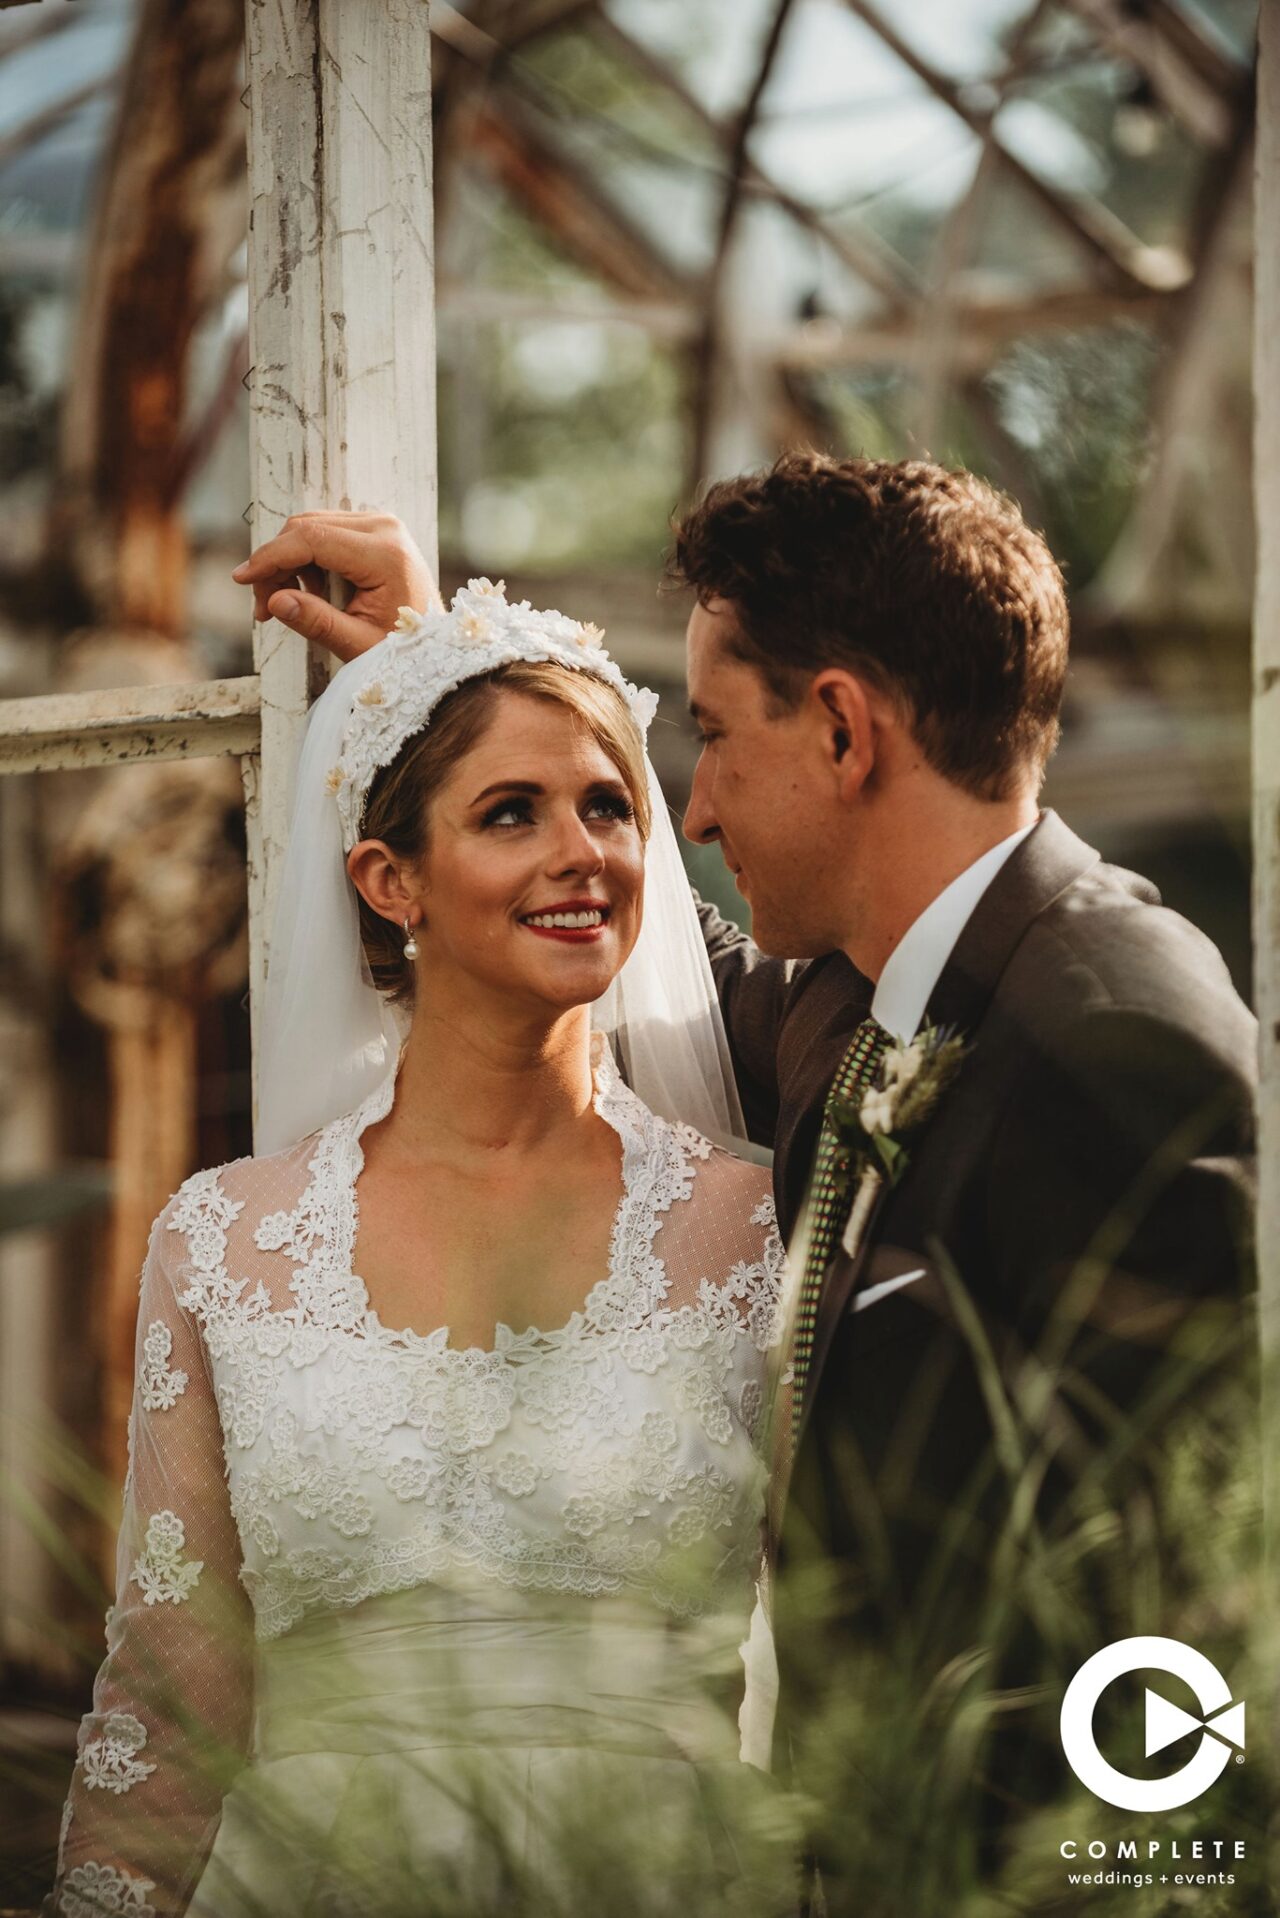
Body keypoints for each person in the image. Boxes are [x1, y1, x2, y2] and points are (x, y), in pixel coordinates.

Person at [253, 456, 1257, 1910]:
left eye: (714, 737)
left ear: (844, 728)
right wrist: (444, 673)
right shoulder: (871, 997)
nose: (698, 812)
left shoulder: (1115, 1038)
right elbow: (662, 979)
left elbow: (1192, 1620)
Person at [46, 583, 796, 1917]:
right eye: (513, 813)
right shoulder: (226, 1244)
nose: (584, 852)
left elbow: (856, 1651)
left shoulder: (754, 1227)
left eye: (607, 805)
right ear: (392, 883)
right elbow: (169, 1695)